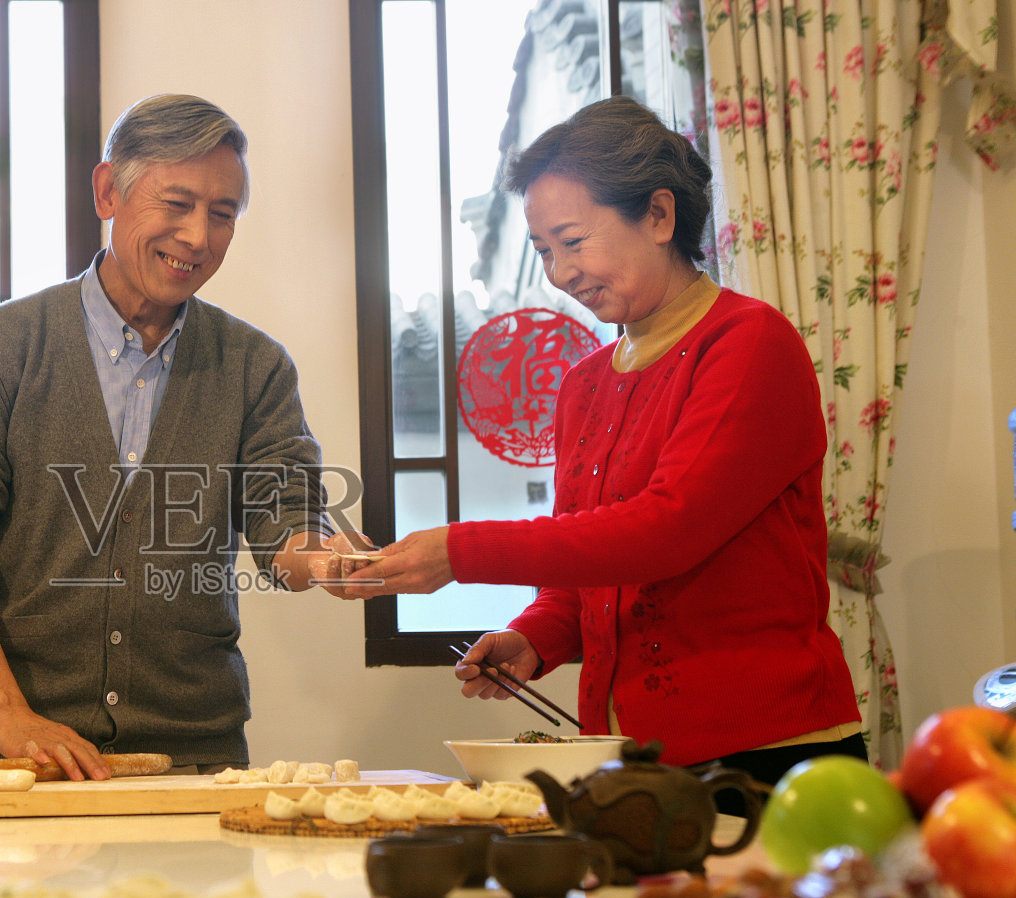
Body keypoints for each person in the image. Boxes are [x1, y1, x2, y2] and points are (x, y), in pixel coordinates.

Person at [341, 96, 863, 791]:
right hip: (633, 756)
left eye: (573, 241)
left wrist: (459, 551)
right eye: (544, 251)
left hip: (769, 748)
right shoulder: (585, 381)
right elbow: (584, 563)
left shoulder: (749, 344)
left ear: (658, 215)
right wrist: (536, 636)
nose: (559, 273)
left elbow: (665, 529)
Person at [0, 94, 364, 781]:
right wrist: (5, 711)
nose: (198, 237)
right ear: (107, 191)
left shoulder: (255, 367)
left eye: (223, 214)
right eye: (175, 204)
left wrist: (328, 560)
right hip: (14, 755)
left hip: (192, 757)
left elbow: (283, 523)